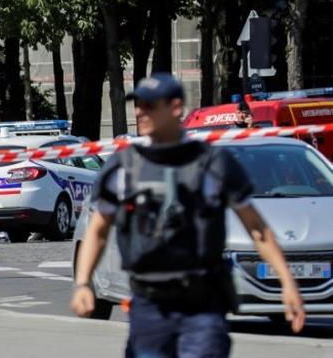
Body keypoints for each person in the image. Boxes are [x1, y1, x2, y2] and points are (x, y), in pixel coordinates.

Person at [70, 73, 305, 357]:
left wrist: (287, 283)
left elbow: (257, 228)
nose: (140, 112)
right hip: (148, 305)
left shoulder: (212, 163)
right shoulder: (124, 167)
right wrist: (84, 283)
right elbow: (98, 229)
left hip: (202, 304)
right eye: (138, 105)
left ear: (176, 107)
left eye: (150, 105)